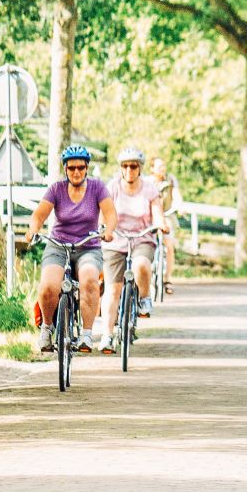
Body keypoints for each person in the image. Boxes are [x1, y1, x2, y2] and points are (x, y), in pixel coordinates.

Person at [25, 145, 117, 354]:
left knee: (89, 281)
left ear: (87, 168)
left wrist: (109, 230)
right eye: (72, 168)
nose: (76, 172)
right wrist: (33, 229)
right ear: (65, 168)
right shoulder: (56, 189)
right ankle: (47, 328)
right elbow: (39, 214)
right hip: (58, 245)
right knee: (49, 286)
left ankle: (86, 333)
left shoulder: (97, 188)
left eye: (81, 168)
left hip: (88, 246)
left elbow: (110, 214)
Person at [99, 148, 168, 353]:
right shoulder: (112, 187)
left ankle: (144, 298)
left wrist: (161, 224)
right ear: (121, 168)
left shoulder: (149, 189)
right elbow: (103, 214)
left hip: (141, 238)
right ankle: (107, 335)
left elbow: (157, 213)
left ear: (140, 169)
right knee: (112, 289)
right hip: (115, 240)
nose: (129, 169)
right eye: (125, 166)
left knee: (141, 265)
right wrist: (103, 229)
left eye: (134, 166)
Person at [149, 156, 183, 294]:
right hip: (150, 216)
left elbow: (176, 195)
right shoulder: (147, 182)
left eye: (163, 166)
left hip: (167, 215)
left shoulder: (170, 180)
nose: (162, 169)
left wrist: (180, 206)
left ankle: (167, 279)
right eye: (159, 166)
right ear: (152, 169)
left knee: (169, 245)